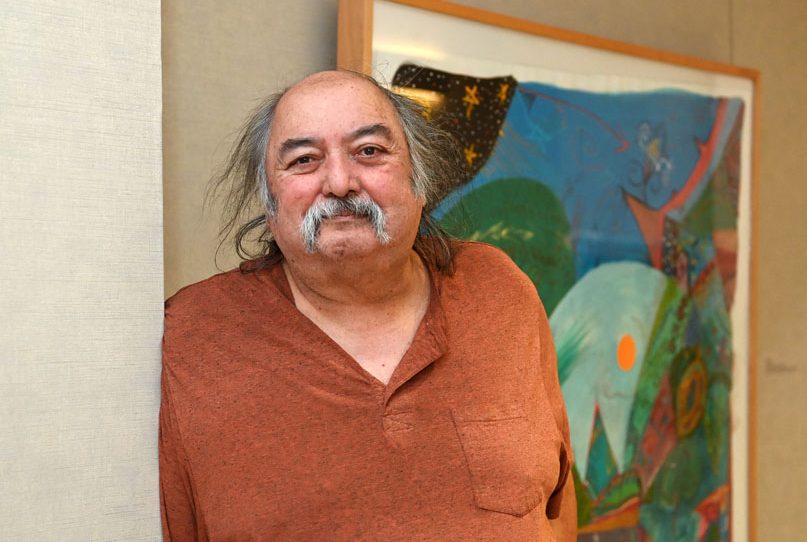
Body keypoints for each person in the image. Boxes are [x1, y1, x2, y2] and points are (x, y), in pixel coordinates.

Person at [159, 70, 576, 541]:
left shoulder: (500, 289)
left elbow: (556, 505)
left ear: (420, 180)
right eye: (303, 159)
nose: (338, 182)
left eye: (369, 152)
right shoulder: (193, 336)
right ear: (269, 199)